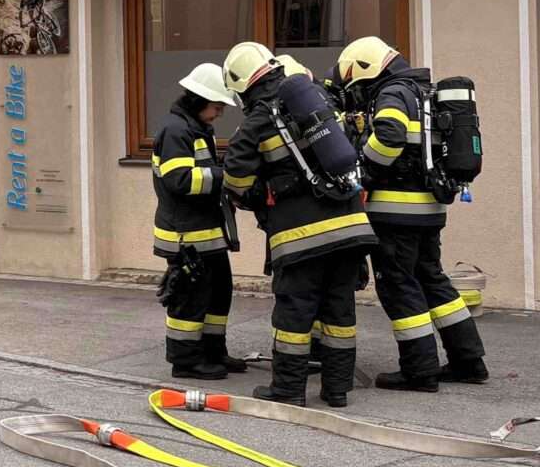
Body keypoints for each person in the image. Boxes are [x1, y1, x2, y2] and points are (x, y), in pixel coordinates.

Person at [223, 43, 377, 407]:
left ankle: (289, 390)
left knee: (295, 311)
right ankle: (337, 390)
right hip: (351, 224)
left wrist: (265, 193)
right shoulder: (320, 98)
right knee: (340, 309)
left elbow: (236, 180)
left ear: (243, 85)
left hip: (300, 237)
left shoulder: (258, 119)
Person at [332, 38, 489, 392]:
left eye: (358, 87)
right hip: (429, 208)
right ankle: (469, 361)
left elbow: (389, 136)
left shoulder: (392, 93)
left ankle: (419, 370)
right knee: (432, 279)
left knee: (399, 285)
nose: (358, 95)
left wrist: (361, 170)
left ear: (367, 71)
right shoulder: (422, 92)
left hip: (395, 211)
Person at [152, 62, 244, 379]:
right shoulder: (176, 130)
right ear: (199, 99)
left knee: (219, 292)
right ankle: (185, 361)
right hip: (186, 234)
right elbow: (178, 180)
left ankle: (214, 351)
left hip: (205, 232)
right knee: (191, 298)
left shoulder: (195, 128)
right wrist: (225, 177)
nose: (219, 112)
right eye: (217, 106)